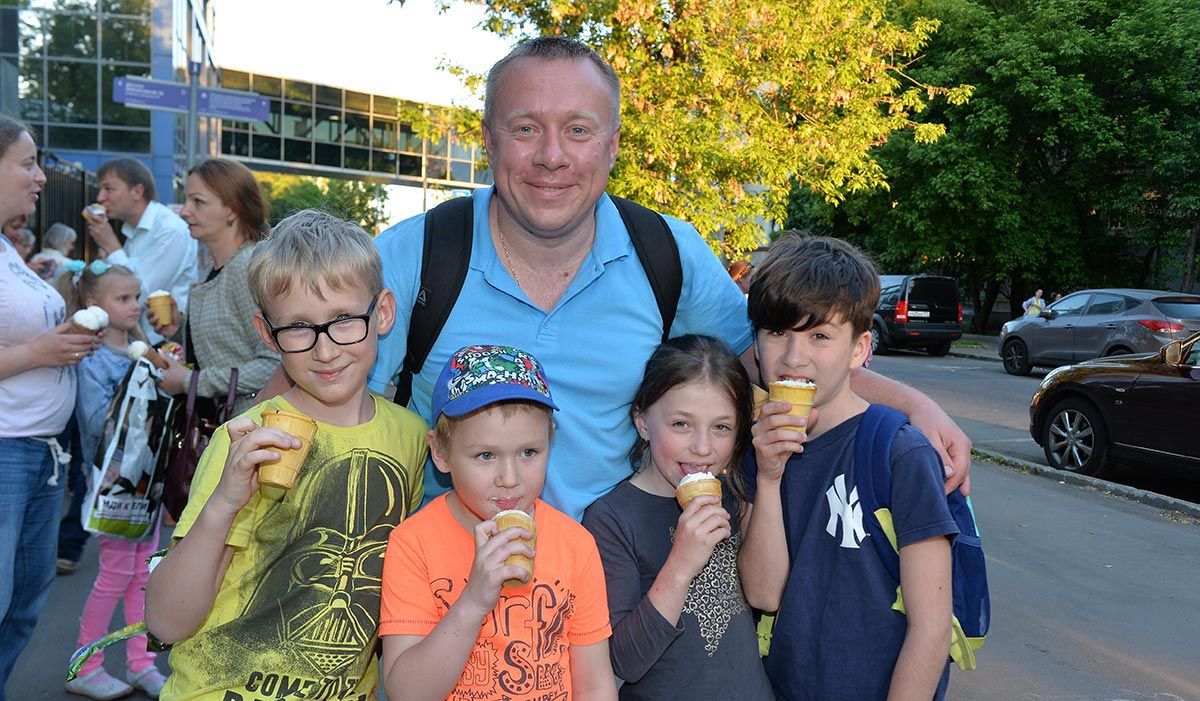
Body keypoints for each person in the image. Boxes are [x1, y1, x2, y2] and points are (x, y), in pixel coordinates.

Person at [369, 36, 973, 522]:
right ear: (488, 139)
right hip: (451, 619)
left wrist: (917, 406)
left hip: (620, 612)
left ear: (610, 146)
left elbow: (775, 363)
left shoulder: (666, 253)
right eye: (525, 128)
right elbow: (315, 391)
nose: (552, 155)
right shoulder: (415, 256)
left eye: (578, 130)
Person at [144, 209, 427, 701]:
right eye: (298, 327)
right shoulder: (246, 439)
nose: (325, 350)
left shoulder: (409, 436)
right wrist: (223, 505)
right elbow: (166, 622)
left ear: (382, 313)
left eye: (343, 320)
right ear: (266, 333)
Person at [739, 234, 957, 701]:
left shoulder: (899, 452)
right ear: (755, 346)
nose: (794, 357)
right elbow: (763, 594)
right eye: (778, 333)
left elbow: (932, 629)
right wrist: (769, 476)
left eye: (819, 336)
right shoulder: (755, 451)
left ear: (860, 349)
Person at [380, 344, 616, 701]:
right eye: (486, 455)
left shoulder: (576, 545)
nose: (509, 477)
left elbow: (596, 685)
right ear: (440, 453)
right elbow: (406, 693)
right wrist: (473, 601)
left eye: (528, 452)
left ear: (551, 440)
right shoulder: (414, 544)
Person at [582, 334, 773, 700]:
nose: (702, 448)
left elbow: (767, 595)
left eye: (721, 427)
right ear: (642, 422)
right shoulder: (612, 519)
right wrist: (681, 564)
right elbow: (625, 662)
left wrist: (770, 481)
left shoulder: (735, 496)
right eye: (681, 424)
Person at [0, 114, 100, 700]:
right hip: (9, 451)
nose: (40, 176)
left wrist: (59, 341)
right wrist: (43, 348)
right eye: (27, 162)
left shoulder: (11, 249)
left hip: (39, 456)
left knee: (21, 608)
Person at [59, 262, 167, 700]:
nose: (135, 305)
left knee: (144, 575)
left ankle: (141, 662)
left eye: (137, 296)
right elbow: (95, 421)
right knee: (114, 574)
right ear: (94, 307)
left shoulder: (144, 347)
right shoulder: (93, 359)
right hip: (113, 484)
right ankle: (85, 665)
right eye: (123, 298)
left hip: (147, 481)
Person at [150, 158, 280, 414]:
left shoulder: (246, 269)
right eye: (187, 200)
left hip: (248, 427)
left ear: (231, 209)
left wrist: (190, 382)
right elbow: (226, 345)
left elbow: (274, 363)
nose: (185, 211)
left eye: (197, 201)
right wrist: (178, 328)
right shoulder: (215, 267)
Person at [85, 157, 197, 344]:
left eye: (109, 189)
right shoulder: (134, 231)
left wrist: (112, 246)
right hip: (142, 340)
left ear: (137, 191)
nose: (100, 198)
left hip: (164, 343)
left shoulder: (170, 230)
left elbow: (140, 294)